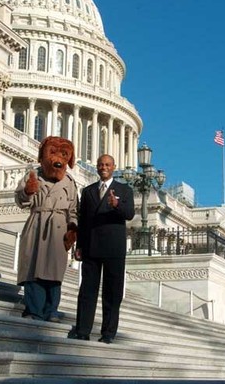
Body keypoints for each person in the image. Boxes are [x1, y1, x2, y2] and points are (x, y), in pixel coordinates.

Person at [69, 154, 135, 343]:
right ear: (97, 168)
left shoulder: (124, 189)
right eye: (100, 164)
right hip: (91, 246)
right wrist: (79, 245)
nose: (103, 167)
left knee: (112, 293)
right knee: (87, 291)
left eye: (107, 164)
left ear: (114, 167)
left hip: (114, 248)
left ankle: (108, 333)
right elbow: (83, 220)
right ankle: (83, 330)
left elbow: (129, 214)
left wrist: (116, 205)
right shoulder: (88, 190)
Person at [15, 136, 78, 322]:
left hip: (59, 229)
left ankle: (51, 309)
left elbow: (74, 209)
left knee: (54, 272)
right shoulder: (33, 175)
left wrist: (73, 229)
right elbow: (20, 201)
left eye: (63, 154)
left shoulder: (69, 182)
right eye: (52, 153)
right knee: (33, 269)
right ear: (43, 155)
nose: (57, 159)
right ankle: (34, 309)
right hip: (37, 222)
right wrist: (27, 191)